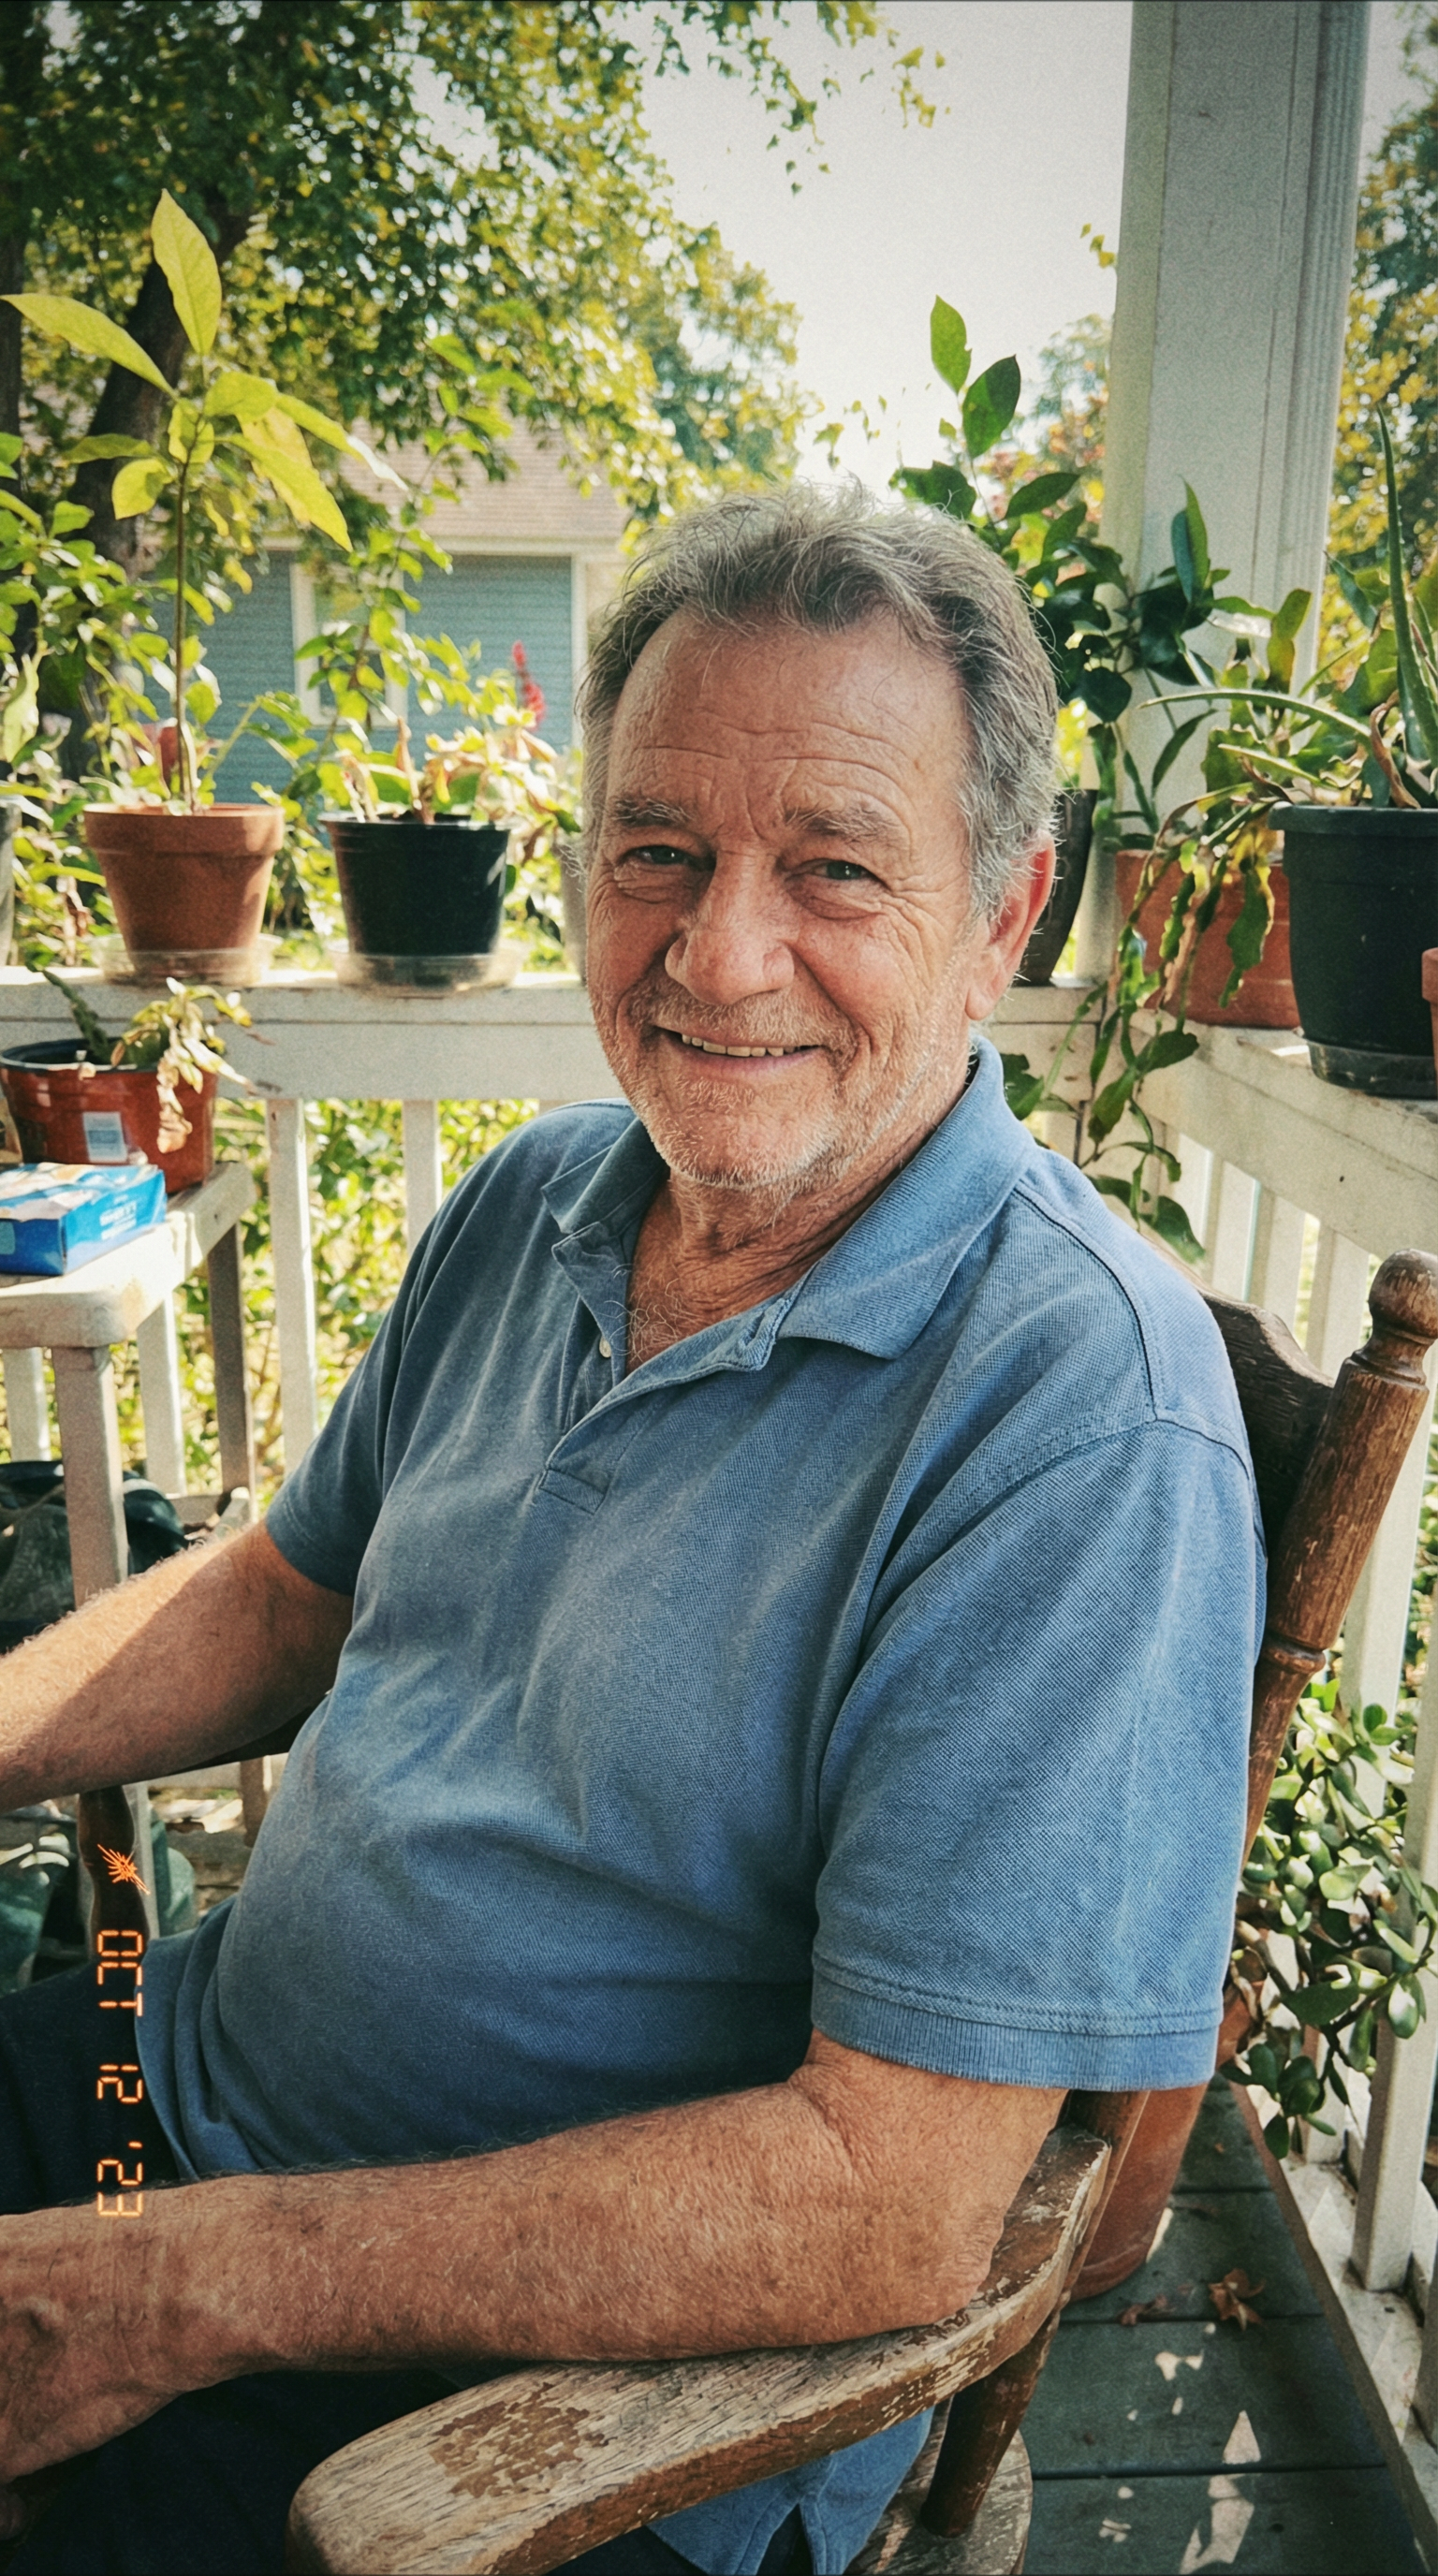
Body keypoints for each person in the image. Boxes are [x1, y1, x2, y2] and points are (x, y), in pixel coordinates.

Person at [0, 486, 1259, 2576]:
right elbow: (286, 1591)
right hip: (170, 2097)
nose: (718, 952)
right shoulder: (542, 1199)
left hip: (520, 2420)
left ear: (1005, 914)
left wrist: (173, 2288)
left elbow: (890, 2194)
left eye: (834, 867)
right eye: (656, 850)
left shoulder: (1078, 1418)